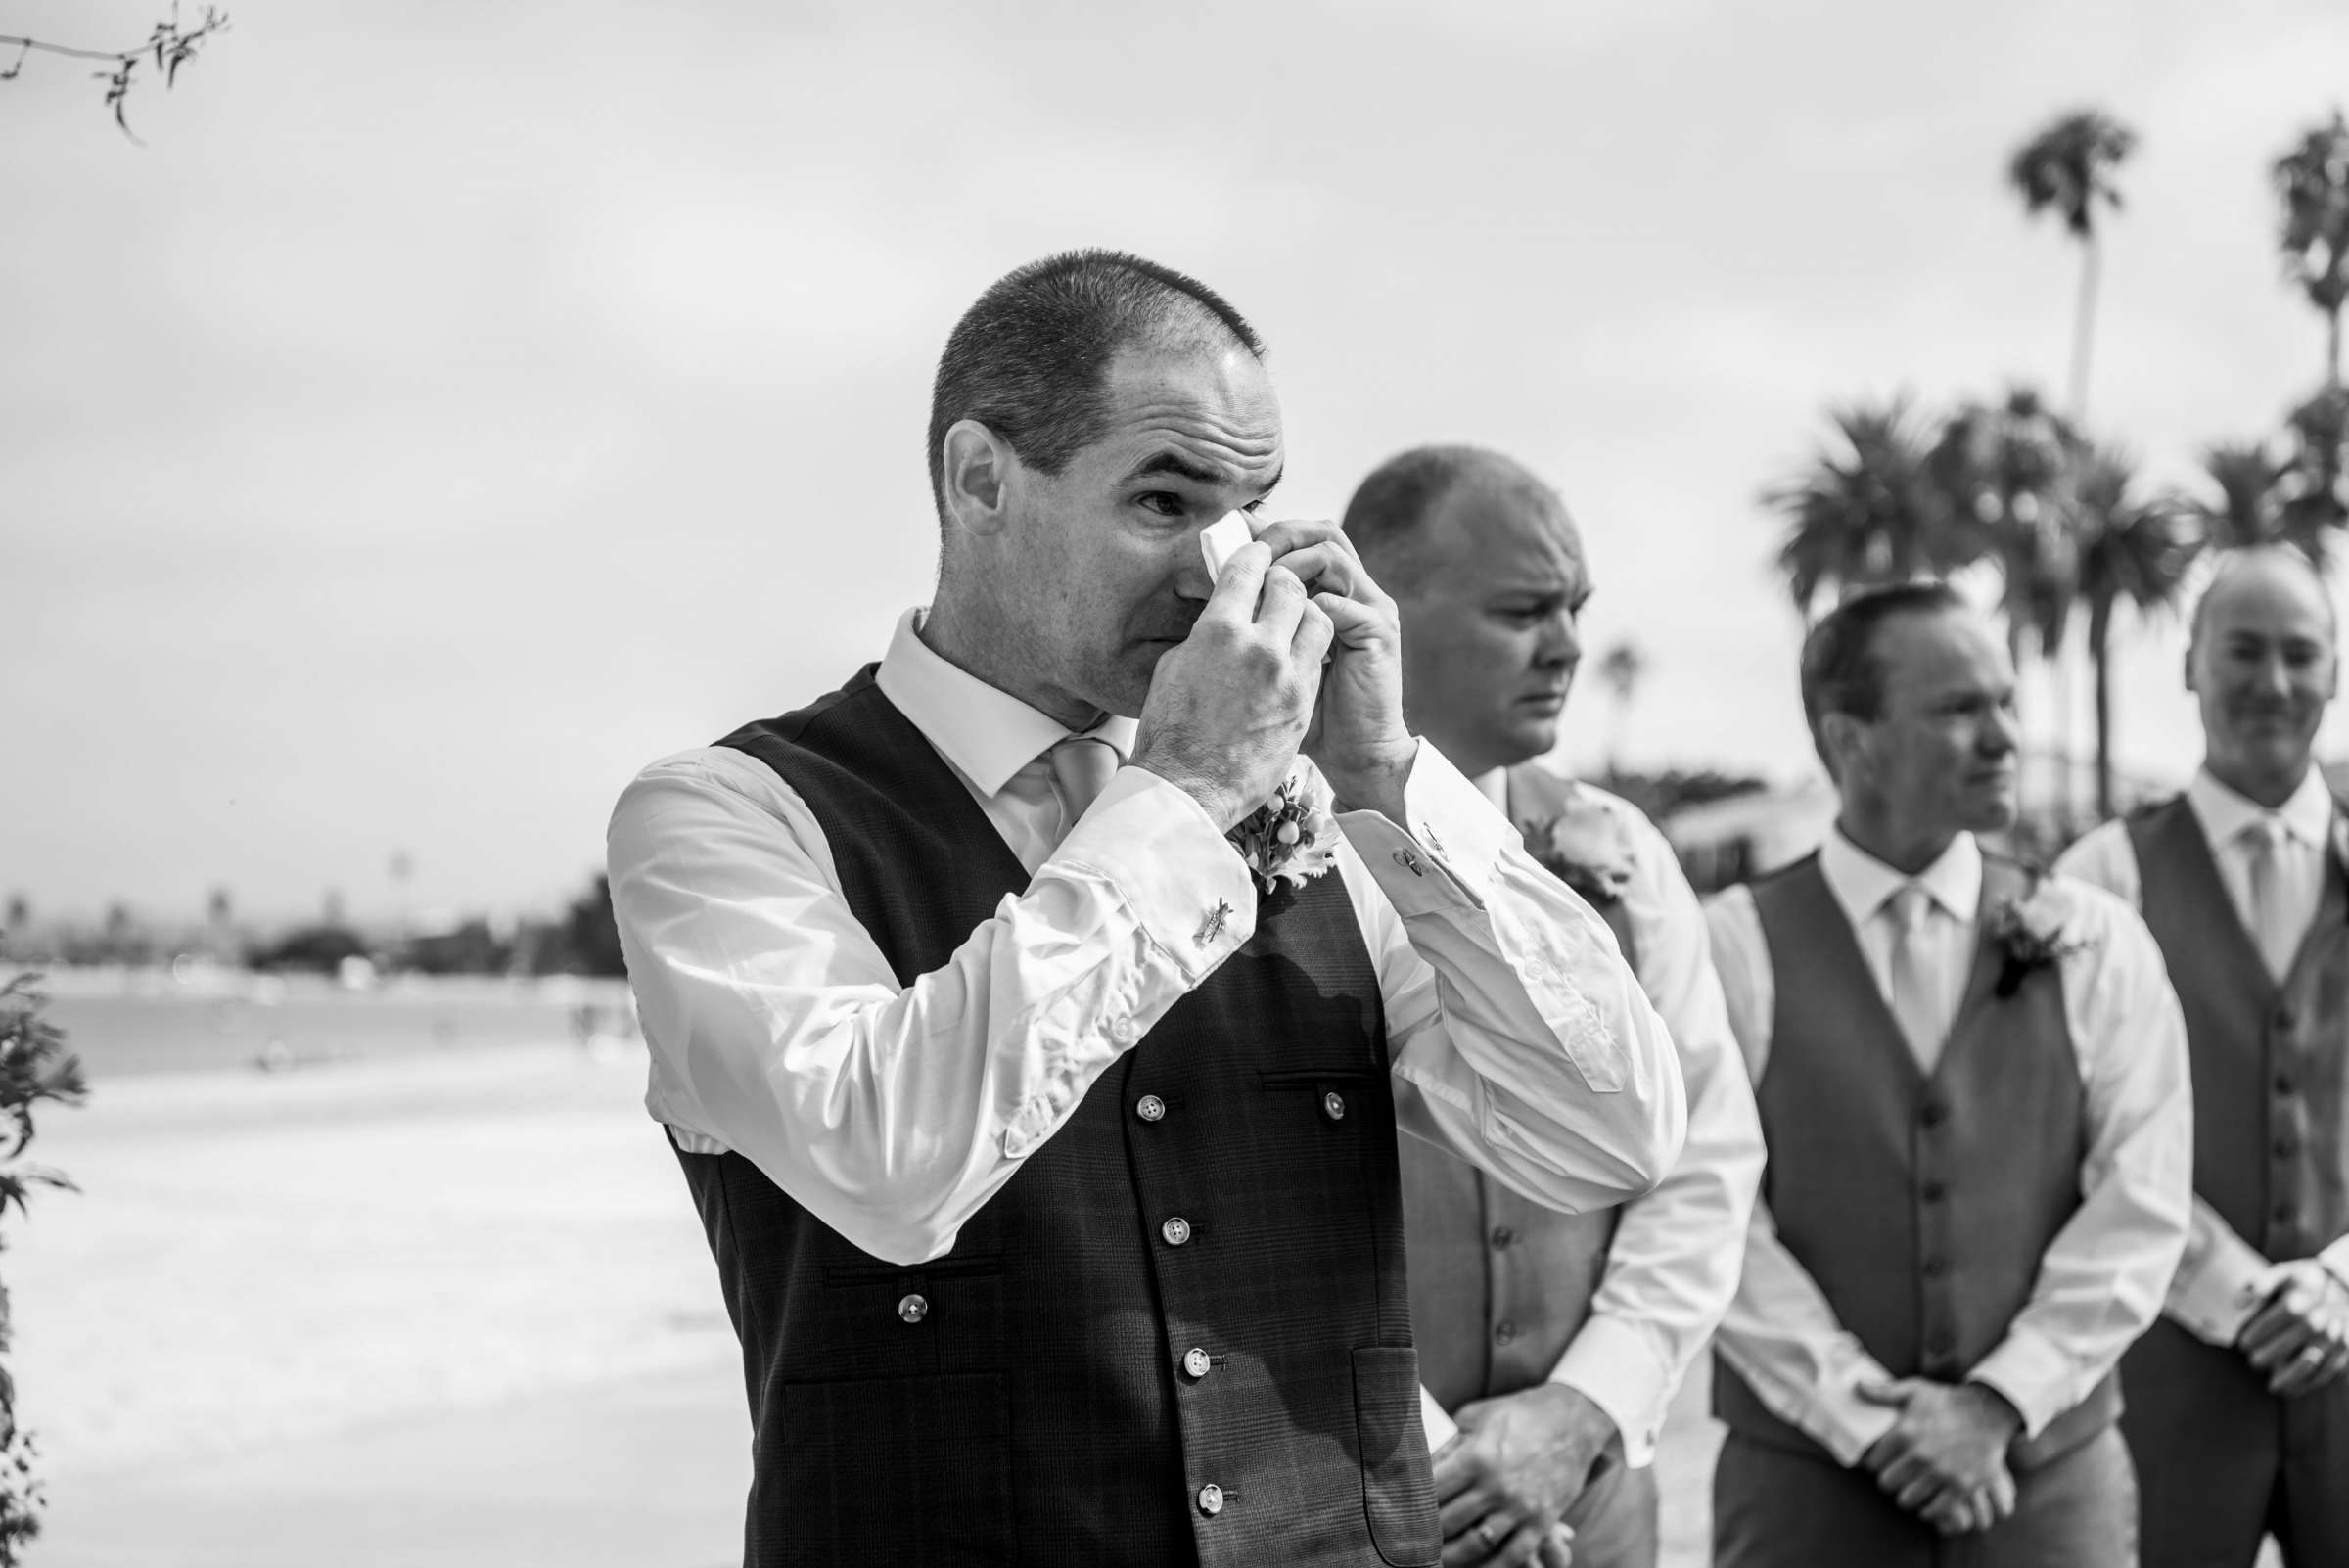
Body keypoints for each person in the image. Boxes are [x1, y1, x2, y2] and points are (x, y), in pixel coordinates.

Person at [604, 250, 1686, 1568]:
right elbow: (884, 1163)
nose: (1222, 574)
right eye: (1165, 502)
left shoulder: (1334, 823)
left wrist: (1394, 778)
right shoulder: (723, 818)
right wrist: (1180, 792)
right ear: (981, 479)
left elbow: (1608, 1129)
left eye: (1252, 513)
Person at [1701, 581, 2192, 1567]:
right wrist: (1864, 1418)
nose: (2005, 736)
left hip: (2052, 1488)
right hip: (1806, 1496)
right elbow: (1705, 1212)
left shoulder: (2095, 939)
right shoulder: (1730, 948)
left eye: (2005, 702)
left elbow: (2143, 1199)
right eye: (1961, 709)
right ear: (1853, 740)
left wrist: (1998, 1402)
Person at [1342, 445, 1764, 1568]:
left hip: (1594, 1498)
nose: (1569, 644)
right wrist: (1448, 1463)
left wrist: (1583, 1409)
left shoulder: (1623, 850)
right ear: (1375, 605)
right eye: (1526, 610)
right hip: (1346, 1496)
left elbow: (1707, 1159)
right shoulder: (1262, 850)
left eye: (1576, 608)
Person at [2055, 545, 2349, 1568]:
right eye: (2243, 651)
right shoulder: (2101, 878)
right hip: (2165, 1374)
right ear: (2190, 665)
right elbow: (2072, 1132)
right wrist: (2240, 1293)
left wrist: (2340, 1285)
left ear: (2337, 673)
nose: (2273, 683)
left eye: (2302, 654)